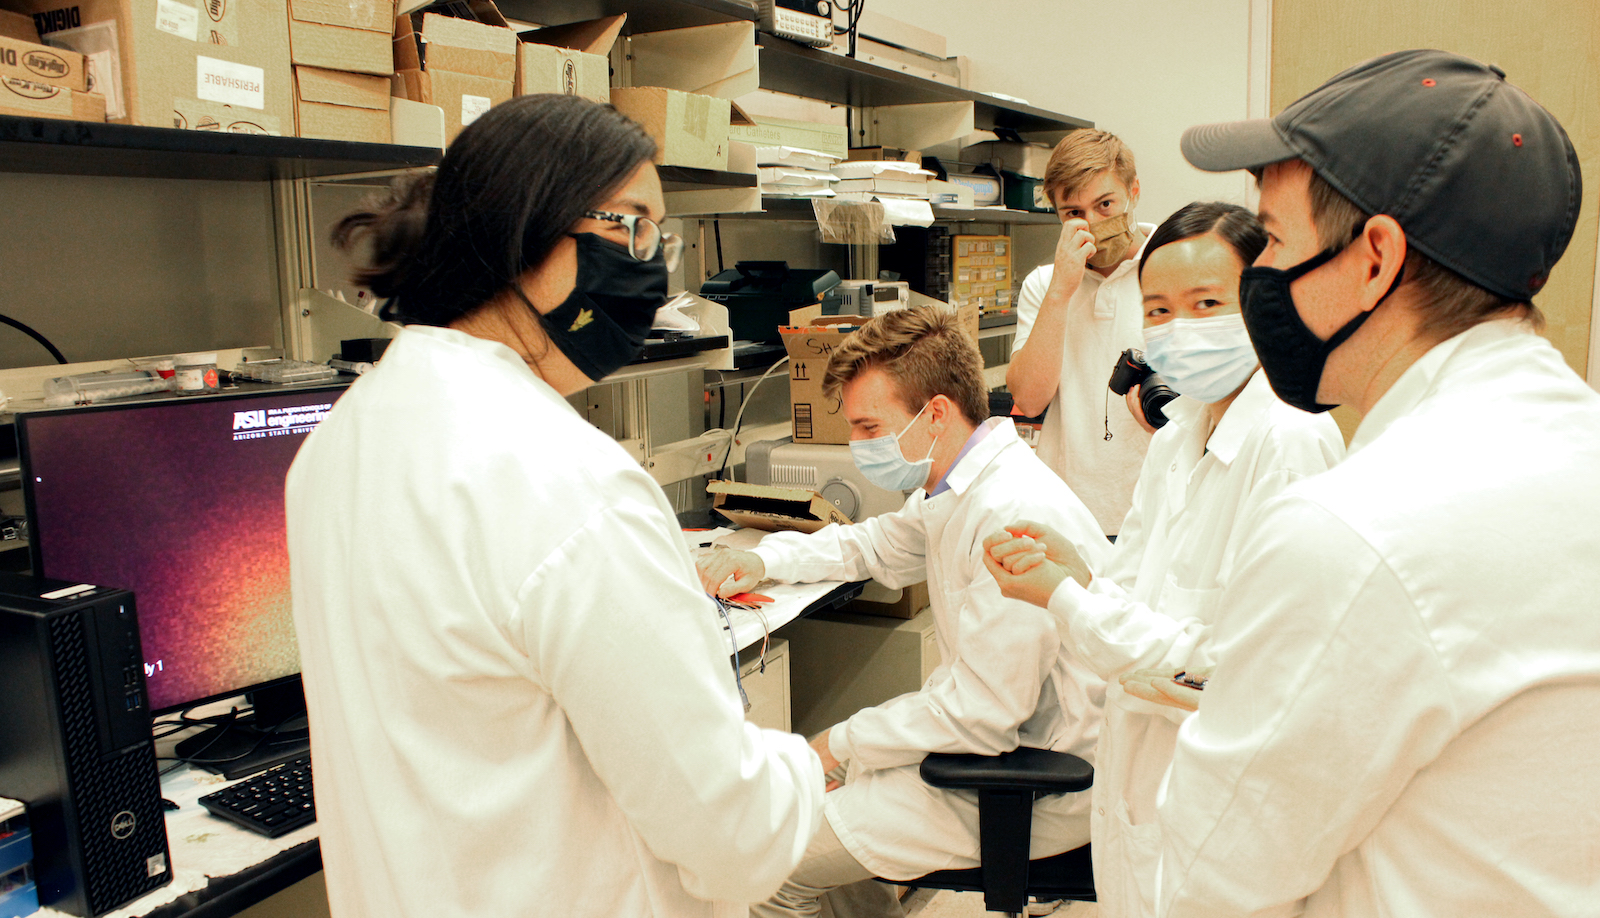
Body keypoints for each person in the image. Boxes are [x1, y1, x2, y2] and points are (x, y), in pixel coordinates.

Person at [284, 94, 824, 918]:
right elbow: (730, 832)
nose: (653, 267)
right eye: (631, 225)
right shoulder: (568, 481)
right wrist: (809, 765)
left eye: (661, 237)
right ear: (520, 226)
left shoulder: (340, 440)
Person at [1137, 50, 1597, 915]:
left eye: (1272, 239)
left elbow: (1211, 885)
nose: (1261, 279)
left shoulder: (1353, 530)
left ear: (1376, 257)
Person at [980, 201, 1345, 918]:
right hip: (1142, 792)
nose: (1180, 329)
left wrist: (1063, 597)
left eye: (1207, 304)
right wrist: (1080, 573)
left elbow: (1231, 665)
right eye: (1159, 311)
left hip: (1225, 809)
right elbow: (1135, 588)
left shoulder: (1291, 441)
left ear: (1260, 303)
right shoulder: (1177, 435)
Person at [693, 307, 1108, 918]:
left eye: (868, 427)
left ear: (934, 413)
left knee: (764, 867)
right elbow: (875, 543)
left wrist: (834, 744)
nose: (860, 447)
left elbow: (981, 716)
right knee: (825, 817)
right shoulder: (961, 482)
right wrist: (766, 560)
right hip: (998, 744)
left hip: (1032, 776)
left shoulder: (1010, 512)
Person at [1006, 129, 1156, 535]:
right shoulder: (1044, 284)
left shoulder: (1171, 265)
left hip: (1156, 506)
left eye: (1105, 204)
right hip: (1068, 509)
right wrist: (1061, 291)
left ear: (1134, 192)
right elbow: (1030, 399)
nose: (1092, 224)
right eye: (1073, 213)